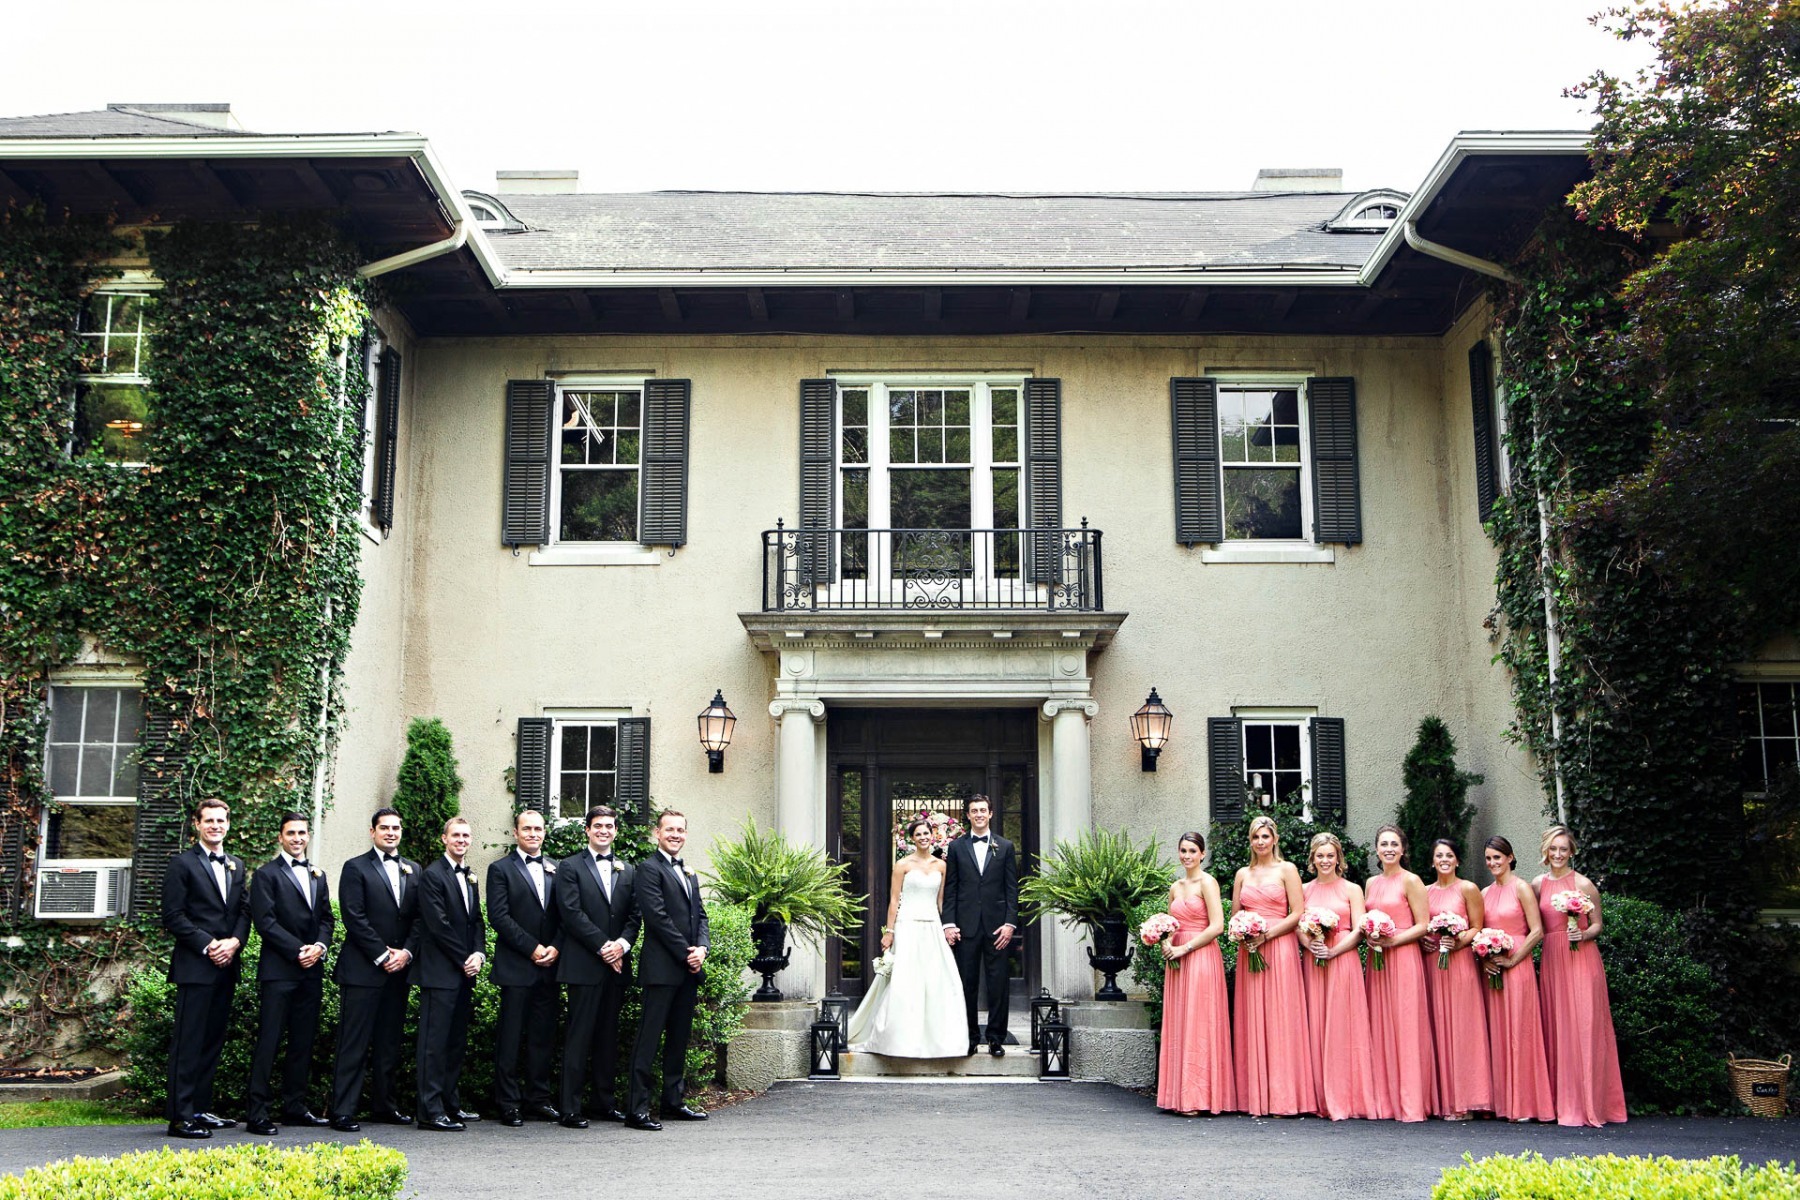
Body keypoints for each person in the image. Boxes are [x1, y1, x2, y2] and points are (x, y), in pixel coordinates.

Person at [160, 798, 250, 1139]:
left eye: (221, 820)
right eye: (209, 820)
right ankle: (180, 1117)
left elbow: (244, 911)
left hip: (226, 965)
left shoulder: (236, 866)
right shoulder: (181, 864)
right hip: (196, 966)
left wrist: (235, 943)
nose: (216, 826)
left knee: (212, 1040)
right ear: (197, 824)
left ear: (228, 824)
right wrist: (209, 944)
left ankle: (200, 1108)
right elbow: (172, 916)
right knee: (189, 1042)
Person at [328, 807, 419, 1131]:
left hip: (399, 972)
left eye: (396, 827)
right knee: (354, 1042)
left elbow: (419, 919)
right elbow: (354, 917)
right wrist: (382, 955)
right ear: (372, 832)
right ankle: (342, 1110)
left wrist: (407, 952)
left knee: (389, 1043)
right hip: (363, 970)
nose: (391, 833)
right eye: (384, 828)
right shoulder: (355, 868)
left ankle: (385, 1105)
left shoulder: (413, 869)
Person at [844, 818, 967, 1057]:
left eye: (926, 833)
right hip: (908, 925)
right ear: (912, 839)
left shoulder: (941, 866)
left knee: (937, 979)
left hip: (932, 926)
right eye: (918, 834)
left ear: (933, 836)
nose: (923, 837)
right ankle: (898, 1039)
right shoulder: (902, 865)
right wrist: (889, 932)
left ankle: (938, 1040)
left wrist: (947, 927)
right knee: (906, 980)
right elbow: (894, 901)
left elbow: (941, 901)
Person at [244, 812, 335, 1134]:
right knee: (269, 1040)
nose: (297, 838)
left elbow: (327, 919)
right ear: (280, 837)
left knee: (302, 1041)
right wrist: (299, 950)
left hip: (312, 972)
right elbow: (265, 922)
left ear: (308, 836)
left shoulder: (317, 874)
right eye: (291, 833)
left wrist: (320, 948)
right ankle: (258, 1113)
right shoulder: (266, 874)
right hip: (280, 971)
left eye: (302, 833)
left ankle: (295, 1107)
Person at [1534, 825, 1628, 1126]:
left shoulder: (1585, 885)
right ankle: (1561, 1103)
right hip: (1552, 960)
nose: (1558, 854)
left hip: (1582, 959)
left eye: (1563, 849)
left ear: (1571, 851)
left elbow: (1598, 925)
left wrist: (1583, 934)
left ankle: (1590, 1103)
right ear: (1545, 851)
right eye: (1553, 848)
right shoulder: (1537, 885)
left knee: (1585, 1027)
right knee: (1558, 1025)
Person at [556, 804, 640, 1128]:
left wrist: (622, 945)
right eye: (598, 825)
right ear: (587, 830)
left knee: (608, 1036)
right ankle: (570, 1108)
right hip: (584, 965)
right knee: (579, 1037)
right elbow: (571, 912)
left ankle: (603, 1103)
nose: (604, 830)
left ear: (616, 830)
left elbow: (634, 916)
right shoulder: (569, 867)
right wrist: (604, 946)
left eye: (609, 825)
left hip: (616, 966)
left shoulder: (627, 869)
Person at [627, 808, 711, 1130]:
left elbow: (700, 915)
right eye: (670, 830)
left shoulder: (689, 873)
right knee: (648, 1041)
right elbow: (657, 918)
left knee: (678, 1040)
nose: (676, 835)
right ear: (657, 833)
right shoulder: (648, 870)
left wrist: (702, 948)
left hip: (688, 970)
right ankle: (637, 1109)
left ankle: (673, 1102)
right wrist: (686, 952)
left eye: (681, 830)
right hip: (661, 969)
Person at [1230, 814, 1316, 1116]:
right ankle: (1255, 1096)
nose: (1260, 842)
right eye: (1255, 837)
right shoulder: (1243, 874)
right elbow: (1235, 914)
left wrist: (1267, 935)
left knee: (1281, 1016)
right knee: (1253, 1016)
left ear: (1275, 839)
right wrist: (1244, 932)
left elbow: (1297, 913)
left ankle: (1284, 1097)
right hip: (1251, 949)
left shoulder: (1287, 870)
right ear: (1251, 841)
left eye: (1265, 836)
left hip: (1279, 947)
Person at [487, 808, 562, 1127]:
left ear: (545, 832)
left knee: (542, 1038)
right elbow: (499, 917)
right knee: (511, 1037)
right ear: (516, 833)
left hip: (550, 968)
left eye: (538, 829)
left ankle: (538, 1099)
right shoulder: (499, 869)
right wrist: (532, 948)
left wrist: (555, 947)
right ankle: (508, 1102)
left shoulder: (556, 869)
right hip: (517, 966)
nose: (533, 833)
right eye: (527, 829)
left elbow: (564, 914)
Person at [1154, 832, 1234, 1116]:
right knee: (1180, 1022)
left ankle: (1200, 1096)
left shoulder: (1208, 883)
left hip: (1200, 956)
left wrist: (1185, 948)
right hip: (1176, 959)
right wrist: (1163, 941)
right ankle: (1179, 1095)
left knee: (1199, 1023)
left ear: (1202, 854)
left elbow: (1217, 926)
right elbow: (1170, 923)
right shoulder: (1175, 887)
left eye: (1192, 851)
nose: (1187, 856)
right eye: (1183, 851)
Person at [414, 815, 486, 1131]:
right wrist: (464, 958)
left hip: (464, 972)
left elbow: (478, 922)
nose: (461, 840)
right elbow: (438, 924)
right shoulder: (432, 875)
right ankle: (430, 1110)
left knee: (456, 1041)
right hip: (440, 972)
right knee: (434, 1043)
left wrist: (480, 954)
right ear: (444, 839)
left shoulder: (470, 877)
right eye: (455, 835)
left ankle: (450, 1103)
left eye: (466, 836)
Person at [1299, 831, 1376, 1120]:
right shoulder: (1304, 889)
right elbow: (1297, 923)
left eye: (1330, 855)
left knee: (1344, 1026)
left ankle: (1349, 1096)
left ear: (1338, 858)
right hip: (1314, 959)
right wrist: (1311, 945)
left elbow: (1359, 929)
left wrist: (1334, 951)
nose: (1325, 860)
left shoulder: (1352, 889)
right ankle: (1319, 1096)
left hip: (1343, 960)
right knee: (1317, 1024)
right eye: (1320, 855)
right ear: (1312, 859)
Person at [1363, 824, 1437, 1122]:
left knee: (1406, 1026)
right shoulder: (1370, 883)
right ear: (1377, 850)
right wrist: (1371, 935)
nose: (1389, 849)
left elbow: (1423, 925)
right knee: (1381, 1024)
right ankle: (1385, 1100)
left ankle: (1411, 1101)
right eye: (1384, 844)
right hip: (1377, 959)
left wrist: (1393, 940)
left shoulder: (1412, 881)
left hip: (1404, 957)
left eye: (1395, 844)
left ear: (1403, 850)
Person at [1480, 835, 1554, 1122]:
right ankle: (1503, 1103)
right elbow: (1480, 930)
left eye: (1497, 857)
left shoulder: (1522, 888)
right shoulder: (1485, 893)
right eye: (1488, 858)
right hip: (1494, 969)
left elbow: (1536, 931)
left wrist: (1513, 959)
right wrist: (1486, 957)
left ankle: (1525, 1103)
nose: (1492, 863)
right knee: (1498, 1033)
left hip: (1517, 966)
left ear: (1510, 857)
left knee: (1520, 1033)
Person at [941, 794, 1019, 1056]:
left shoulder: (1005, 847)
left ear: (991, 813)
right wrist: (949, 923)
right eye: (974, 811)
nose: (979, 814)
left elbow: (1012, 890)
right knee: (966, 984)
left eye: (983, 810)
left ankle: (996, 1038)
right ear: (968, 815)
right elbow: (950, 888)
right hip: (965, 927)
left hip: (997, 928)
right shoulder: (956, 848)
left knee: (999, 984)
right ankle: (969, 1037)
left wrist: (1010, 923)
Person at [1421, 838, 1491, 1121]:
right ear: (1432, 861)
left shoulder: (1468, 888)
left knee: (1463, 1029)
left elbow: (1477, 926)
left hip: (1459, 964)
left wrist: (1456, 943)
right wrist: (1425, 941)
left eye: (1449, 855)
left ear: (1458, 860)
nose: (1444, 860)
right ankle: (1441, 1100)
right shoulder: (1424, 891)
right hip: (1432, 966)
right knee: (1437, 1028)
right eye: (1439, 855)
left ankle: (1466, 1100)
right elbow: (1420, 925)